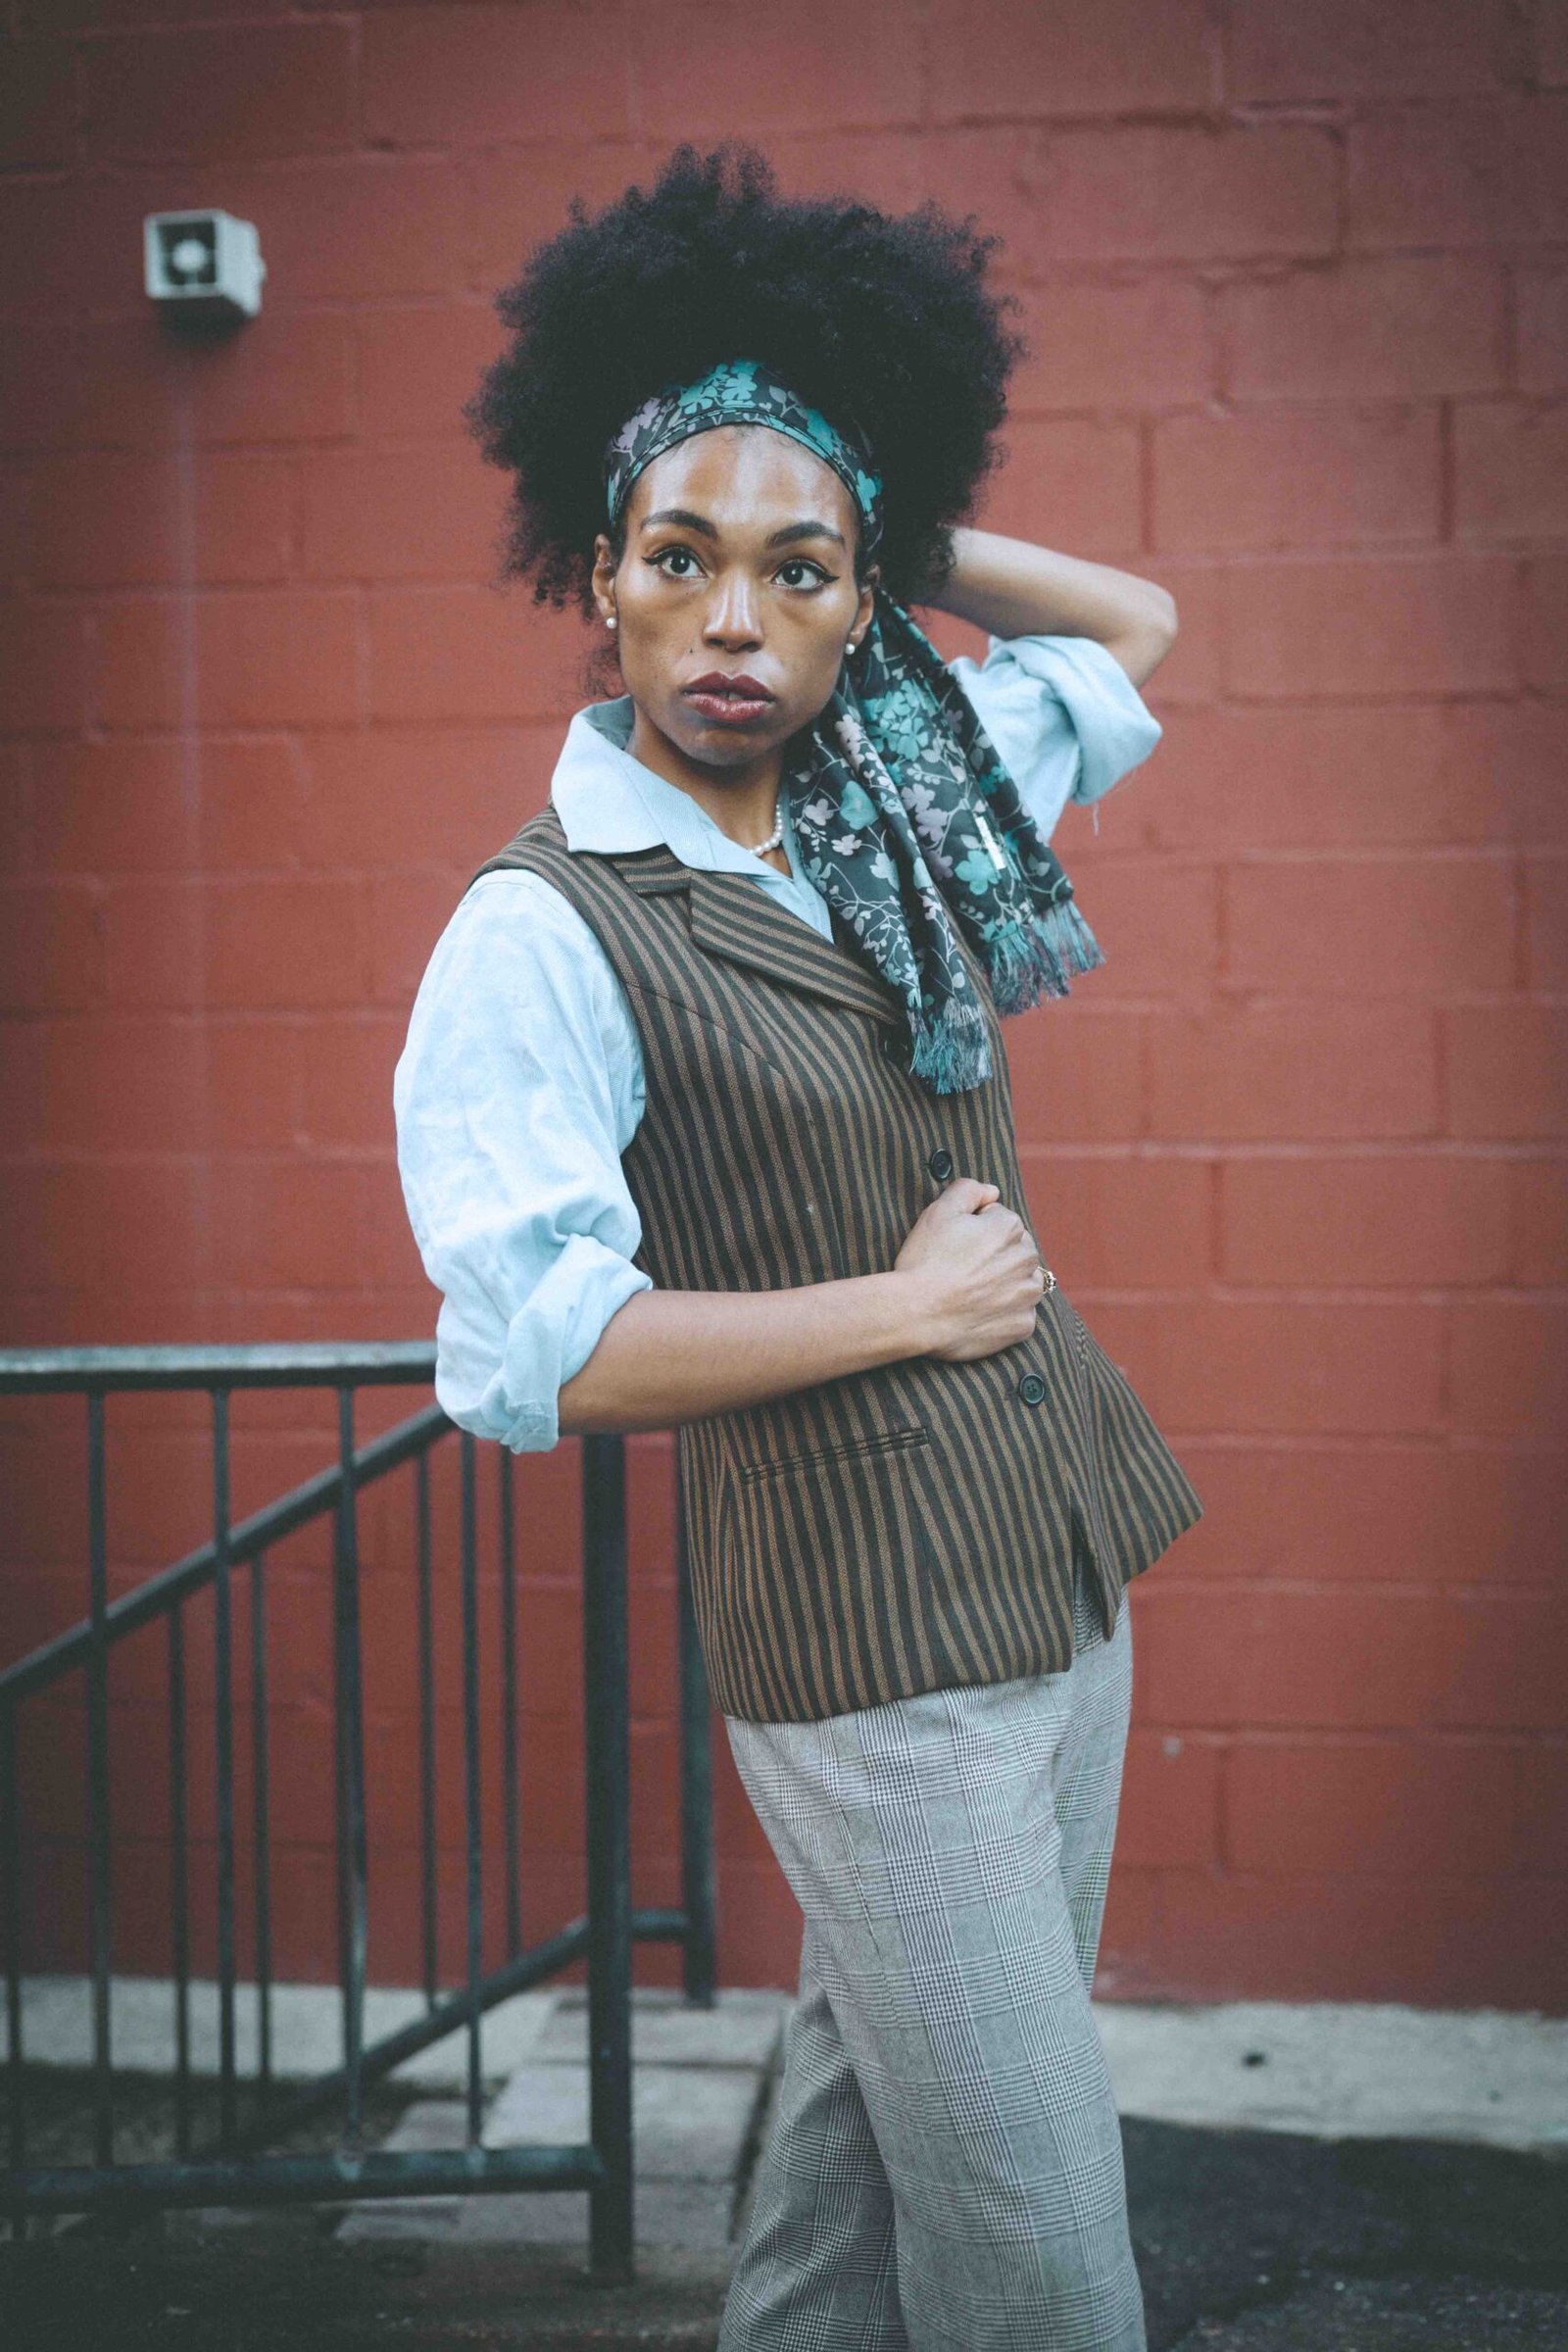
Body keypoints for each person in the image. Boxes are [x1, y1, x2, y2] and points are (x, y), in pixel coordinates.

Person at [395, 143, 1203, 2352]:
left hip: (1053, 1568)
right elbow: (531, 1351)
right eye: (681, 555)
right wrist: (909, 1306)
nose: (733, 619)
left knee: (854, 2180)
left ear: (867, 604)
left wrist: (865, 487)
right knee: (1038, 2244)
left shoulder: (902, 814)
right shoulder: (536, 930)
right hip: (873, 1659)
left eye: (794, 569)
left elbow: (1126, 637)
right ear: (601, 574)